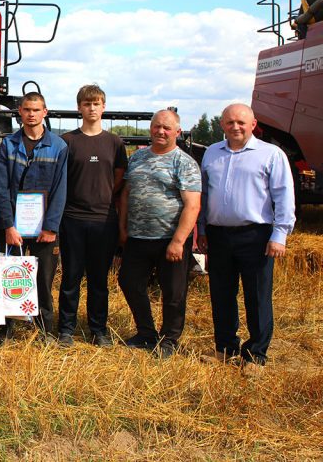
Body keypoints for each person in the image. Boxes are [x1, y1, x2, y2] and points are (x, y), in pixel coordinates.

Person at [198, 103, 295, 371]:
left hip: (257, 235)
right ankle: (225, 348)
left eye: (241, 122)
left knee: (257, 295)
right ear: (222, 126)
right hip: (218, 235)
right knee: (221, 293)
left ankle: (255, 356)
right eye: (230, 122)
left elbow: (284, 195)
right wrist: (203, 230)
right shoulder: (211, 154)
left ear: (253, 125)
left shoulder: (271, 154)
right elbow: (205, 195)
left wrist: (280, 234)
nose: (235, 127)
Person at [118, 109, 201, 358]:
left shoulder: (184, 162)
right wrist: (123, 228)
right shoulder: (137, 158)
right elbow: (125, 194)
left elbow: (192, 204)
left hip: (170, 239)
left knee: (173, 292)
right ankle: (146, 333)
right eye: (156, 127)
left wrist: (178, 241)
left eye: (166, 128)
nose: (160, 131)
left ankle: (169, 339)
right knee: (129, 282)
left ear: (177, 132)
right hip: (138, 237)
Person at [56, 85, 128, 347]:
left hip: (103, 219)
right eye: (87, 104)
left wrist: (104, 195)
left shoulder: (114, 143)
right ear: (79, 108)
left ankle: (98, 329)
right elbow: (61, 179)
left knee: (99, 280)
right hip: (72, 218)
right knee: (71, 277)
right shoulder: (67, 141)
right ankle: (66, 329)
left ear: (104, 107)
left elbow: (119, 178)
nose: (92, 108)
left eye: (96, 104)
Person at [0, 91, 68, 341]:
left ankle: (45, 330)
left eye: (36, 110)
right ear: (20, 113)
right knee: (10, 276)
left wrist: (51, 227)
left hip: (43, 228)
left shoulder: (58, 146)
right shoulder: (9, 144)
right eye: (27, 110)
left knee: (43, 279)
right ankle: (5, 330)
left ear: (44, 112)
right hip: (13, 227)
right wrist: (8, 226)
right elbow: (1, 187)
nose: (31, 114)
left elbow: (60, 190)